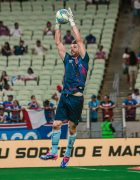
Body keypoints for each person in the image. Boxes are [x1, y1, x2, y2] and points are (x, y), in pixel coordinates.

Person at [40, 8, 89, 168]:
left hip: (76, 99)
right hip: (65, 97)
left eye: (74, 47)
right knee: (56, 124)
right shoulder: (66, 59)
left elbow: (80, 40)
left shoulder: (84, 60)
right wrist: (57, 22)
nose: (72, 47)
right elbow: (58, 42)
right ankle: (53, 152)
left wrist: (72, 21)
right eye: (72, 46)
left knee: (72, 128)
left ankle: (67, 155)